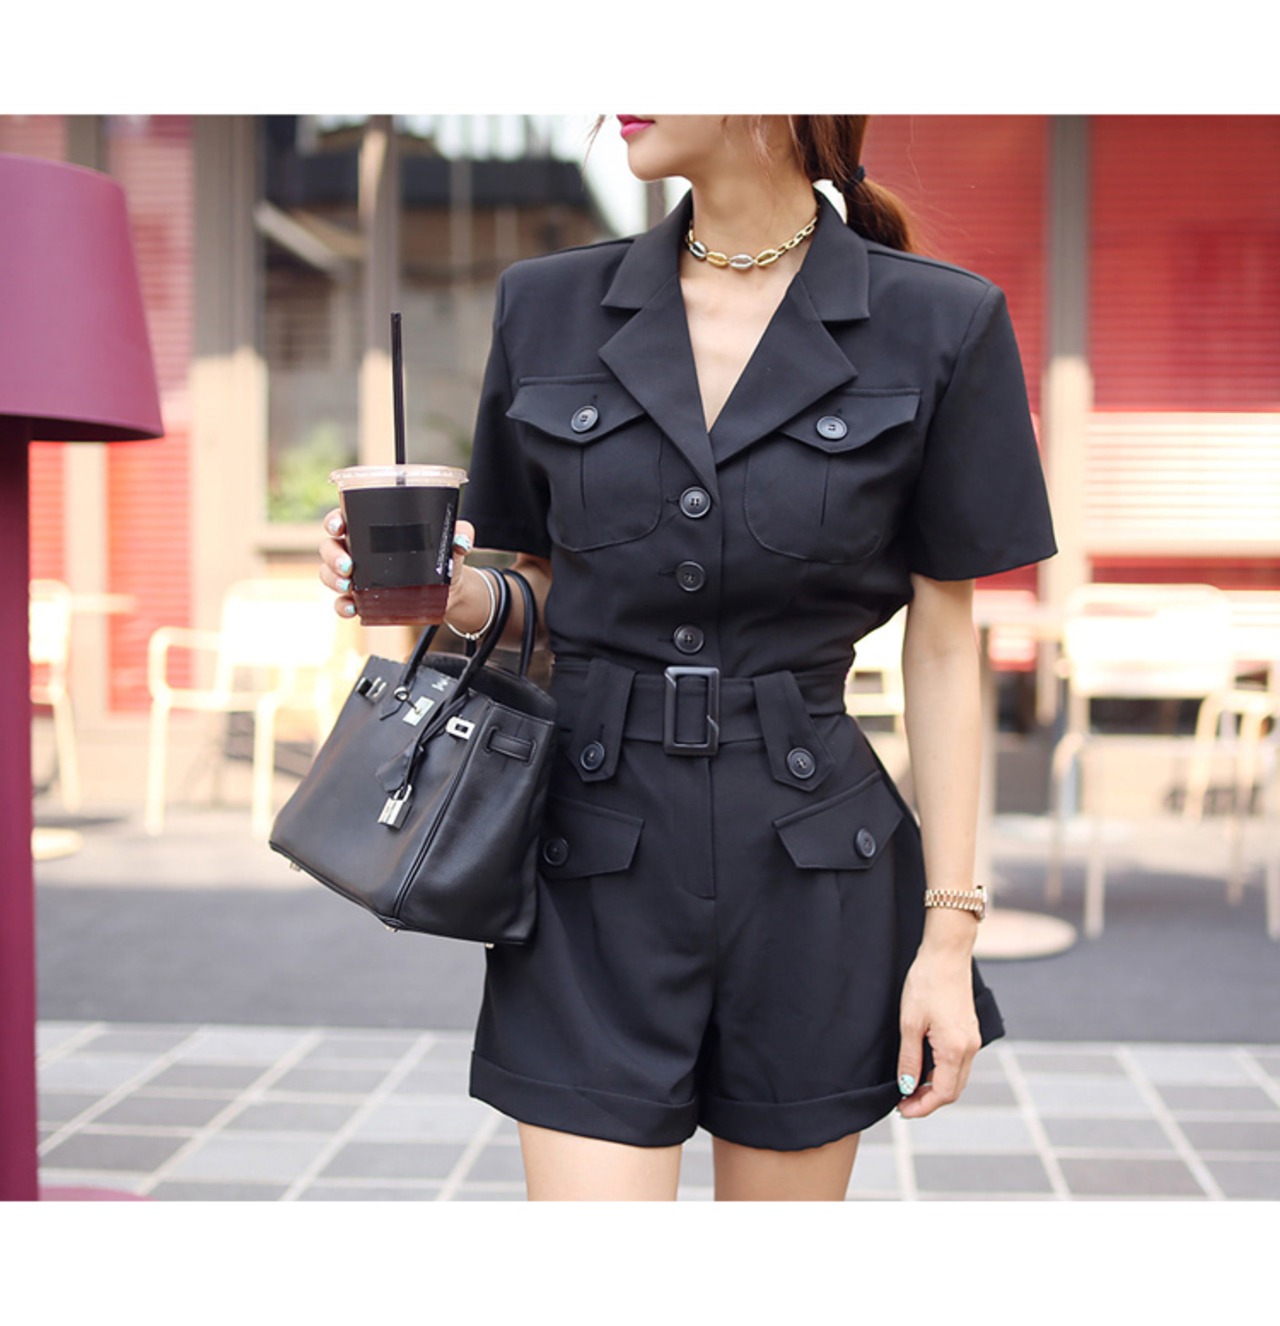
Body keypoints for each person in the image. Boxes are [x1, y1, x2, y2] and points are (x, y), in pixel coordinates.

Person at [319, 115, 1056, 1201]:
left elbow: (944, 649)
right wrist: (446, 591)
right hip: (589, 861)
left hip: (811, 871)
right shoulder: (546, 304)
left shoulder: (940, 321)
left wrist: (947, 937)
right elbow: (547, 597)